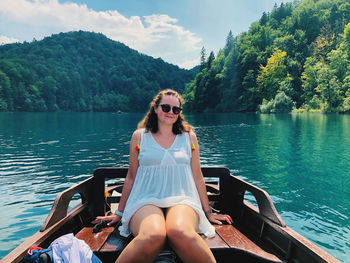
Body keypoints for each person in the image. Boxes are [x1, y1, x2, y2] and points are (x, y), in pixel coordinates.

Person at [95, 89, 232, 263]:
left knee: (180, 232)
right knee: (153, 234)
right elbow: (131, 177)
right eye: (166, 107)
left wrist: (208, 212)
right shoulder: (139, 137)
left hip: (182, 199)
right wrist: (119, 213)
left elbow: (198, 176)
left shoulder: (189, 138)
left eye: (176, 109)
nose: (171, 112)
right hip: (145, 199)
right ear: (156, 108)